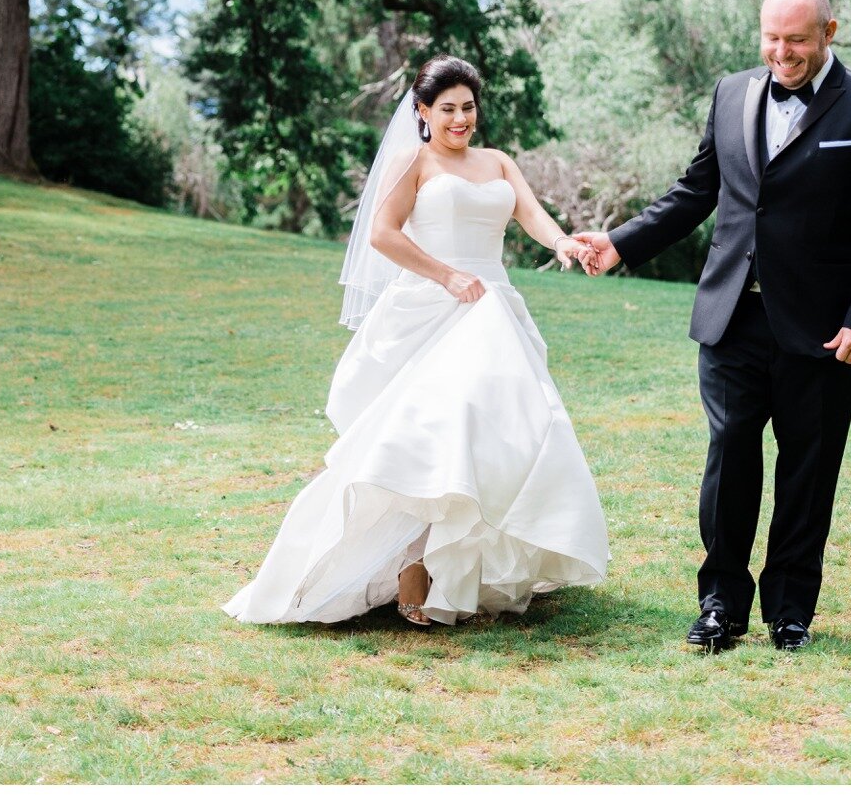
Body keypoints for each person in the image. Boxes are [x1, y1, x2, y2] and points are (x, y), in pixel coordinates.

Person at [570, 0, 851, 653]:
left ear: (829, 33)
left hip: (823, 331)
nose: (781, 52)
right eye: (772, 37)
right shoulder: (732, 94)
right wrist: (620, 242)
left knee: (807, 471)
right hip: (730, 317)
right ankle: (721, 603)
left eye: (797, 39)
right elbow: (696, 191)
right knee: (729, 455)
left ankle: (791, 610)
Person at [224, 56, 609, 626]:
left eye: (468, 108)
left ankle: (462, 568)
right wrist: (446, 274)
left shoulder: (498, 161)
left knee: (499, 429)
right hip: (432, 305)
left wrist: (565, 246)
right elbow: (382, 233)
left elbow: (533, 217)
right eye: (448, 109)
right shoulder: (414, 161)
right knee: (431, 434)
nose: (460, 120)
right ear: (423, 111)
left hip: (492, 310)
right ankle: (411, 564)